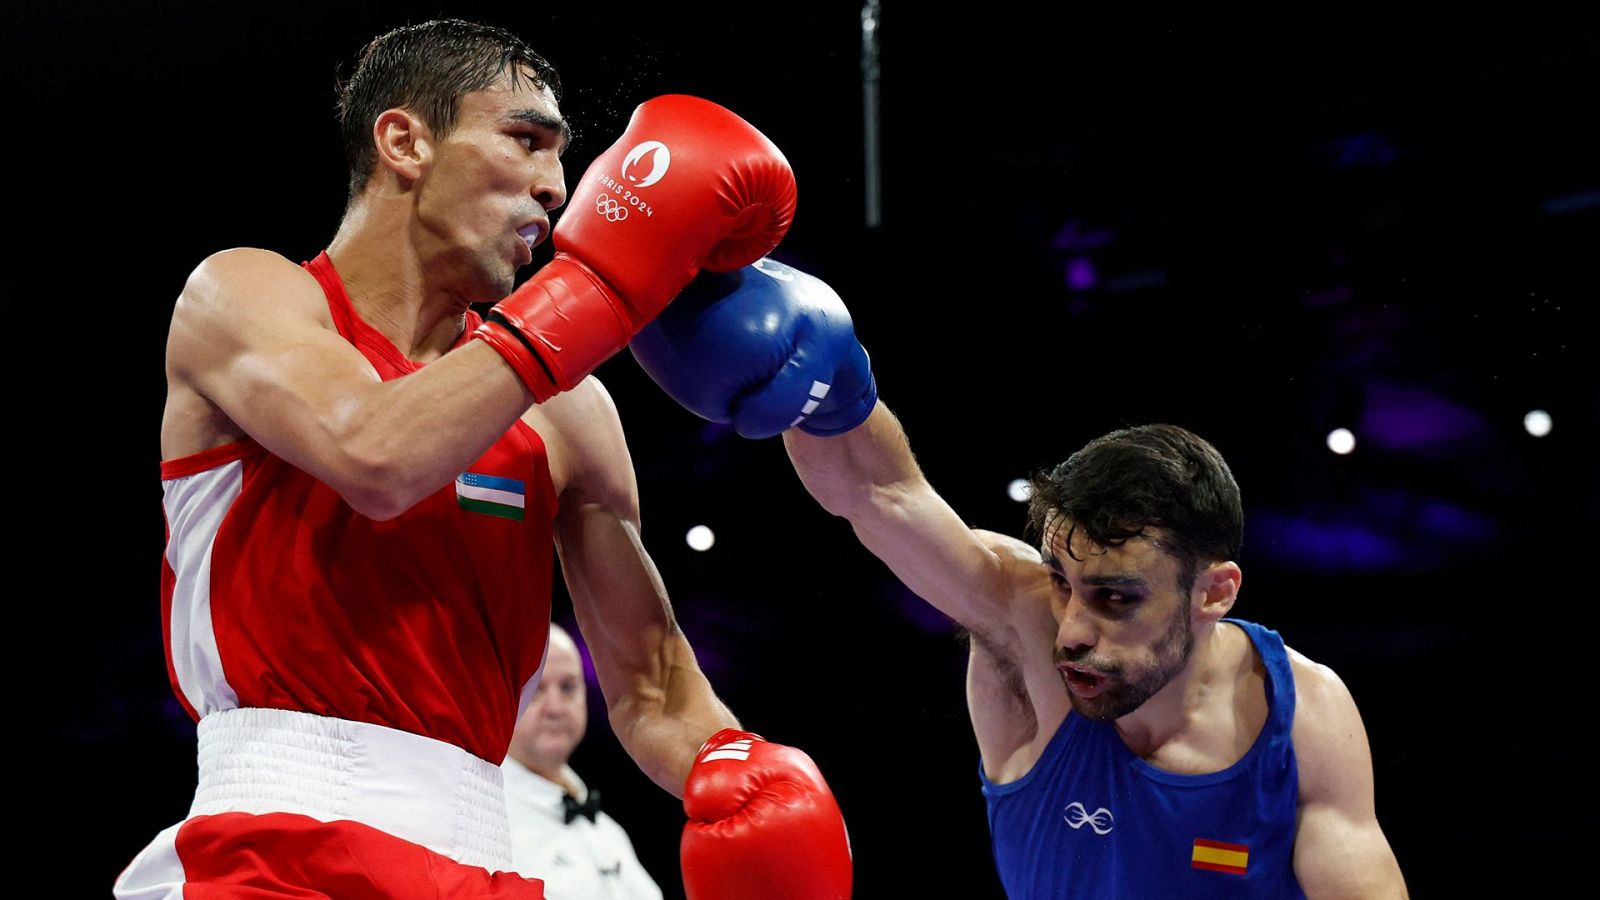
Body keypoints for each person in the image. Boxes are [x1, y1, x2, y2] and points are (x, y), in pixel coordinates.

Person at [116, 20, 850, 900]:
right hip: (271, 850)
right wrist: (599, 291)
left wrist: (735, 768)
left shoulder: (572, 411)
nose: (556, 188)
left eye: (564, 157)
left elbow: (653, 687)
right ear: (406, 141)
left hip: (484, 858)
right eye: (526, 139)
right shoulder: (249, 294)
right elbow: (375, 452)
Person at [631, 260, 1411, 897]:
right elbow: (880, 494)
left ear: (1214, 593)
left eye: (1116, 597)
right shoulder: (1022, 621)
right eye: (1064, 581)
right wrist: (823, 376)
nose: (1071, 627)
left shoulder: (1300, 713)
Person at [503, 624, 663, 899]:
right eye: (535, 689)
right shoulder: (486, 822)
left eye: (567, 687)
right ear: (502, 697)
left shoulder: (610, 832)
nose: (555, 708)